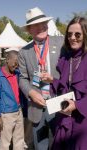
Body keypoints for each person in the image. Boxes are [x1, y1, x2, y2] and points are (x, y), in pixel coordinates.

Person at [18, 7, 64, 150]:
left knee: (61, 143)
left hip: (60, 101)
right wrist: (31, 93)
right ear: (29, 30)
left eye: (43, 23)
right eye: (35, 25)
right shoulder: (24, 51)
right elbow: (23, 78)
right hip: (37, 106)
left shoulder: (62, 43)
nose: (41, 27)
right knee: (41, 146)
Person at [40, 16, 87, 150]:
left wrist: (77, 105)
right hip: (65, 119)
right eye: (70, 34)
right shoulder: (67, 58)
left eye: (77, 34)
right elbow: (66, 86)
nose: (72, 38)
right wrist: (52, 80)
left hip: (83, 123)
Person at [0, 51, 24, 150]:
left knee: (19, 139)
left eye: (18, 65)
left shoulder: (17, 74)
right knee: (5, 142)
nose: (16, 67)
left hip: (19, 111)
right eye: (15, 64)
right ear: (7, 60)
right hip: (7, 114)